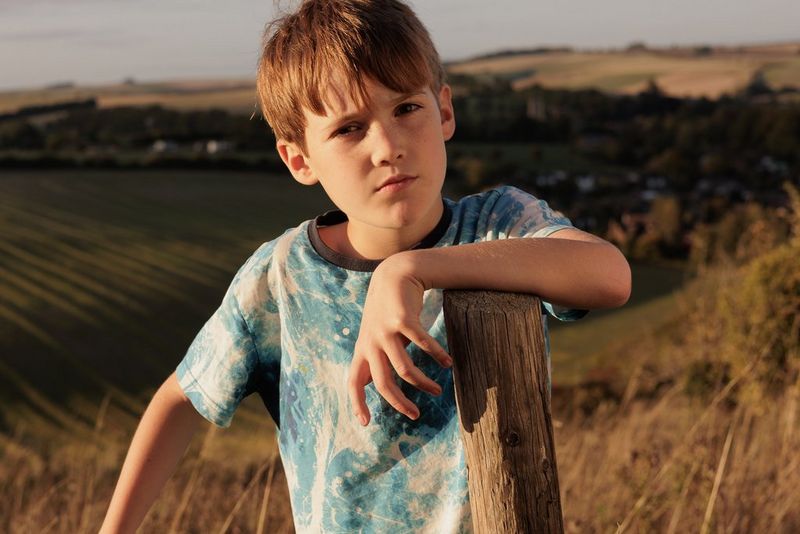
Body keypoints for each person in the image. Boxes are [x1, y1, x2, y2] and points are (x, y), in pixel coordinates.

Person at [100, 0, 631, 531]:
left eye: (406, 108)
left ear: (444, 112)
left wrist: (408, 270)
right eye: (349, 129)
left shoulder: (501, 224)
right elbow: (179, 398)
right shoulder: (283, 277)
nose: (388, 147)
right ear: (299, 159)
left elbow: (608, 275)